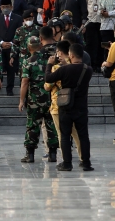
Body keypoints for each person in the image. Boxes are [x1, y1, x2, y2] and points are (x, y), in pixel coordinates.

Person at [45, 43, 94, 171]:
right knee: (83, 135)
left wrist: (49, 64)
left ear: (70, 55)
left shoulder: (64, 70)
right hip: (82, 107)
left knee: (65, 135)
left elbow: (48, 78)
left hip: (66, 107)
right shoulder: (88, 69)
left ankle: (67, 163)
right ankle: (86, 162)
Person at [19, 36, 59, 163]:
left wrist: (21, 101)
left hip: (34, 100)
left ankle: (30, 155)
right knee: (51, 126)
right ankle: (52, 154)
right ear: (40, 46)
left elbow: (25, 82)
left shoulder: (28, 61)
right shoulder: (50, 60)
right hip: (50, 98)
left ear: (28, 47)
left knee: (32, 126)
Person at [44, 40, 82, 162]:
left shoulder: (56, 68)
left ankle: (65, 159)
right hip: (74, 102)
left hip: (58, 104)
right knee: (76, 133)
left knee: (62, 134)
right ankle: (83, 156)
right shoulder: (75, 65)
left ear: (59, 53)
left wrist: (49, 65)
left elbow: (47, 86)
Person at [0, 0, 22, 96]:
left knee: (11, 69)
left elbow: (19, 32)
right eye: (3, 7)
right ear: (0, 7)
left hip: (12, 48)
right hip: (0, 48)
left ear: (11, 7)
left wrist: (12, 43)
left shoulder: (18, 18)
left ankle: (10, 89)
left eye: (7, 7)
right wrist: (1, 42)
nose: (5, 9)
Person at [83, 0, 105, 70]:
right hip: (90, 20)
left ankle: (99, 64)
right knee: (90, 43)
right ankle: (90, 64)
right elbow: (85, 5)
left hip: (103, 21)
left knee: (101, 44)